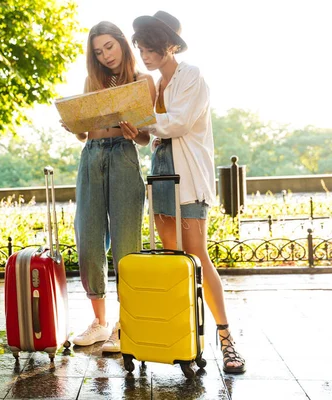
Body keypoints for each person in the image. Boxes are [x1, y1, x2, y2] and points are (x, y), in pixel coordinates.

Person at [124, 11, 246, 373]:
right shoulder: (155, 85)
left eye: (150, 48)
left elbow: (178, 123)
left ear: (169, 45)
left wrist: (145, 121)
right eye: (141, 49)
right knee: (174, 258)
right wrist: (137, 131)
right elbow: (157, 137)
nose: (145, 55)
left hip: (188, 176)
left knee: (196, 256)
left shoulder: (191, 75)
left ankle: (226, 339)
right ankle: (181, 339)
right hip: (161, 172)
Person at [62, 21, 156, 353]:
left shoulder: (143, 81)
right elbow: (84, 134)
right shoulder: (93, 81)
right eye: (98, 52)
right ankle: (99, 323)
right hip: (92, 156)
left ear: (122, 44)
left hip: (124, 157)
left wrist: (135, 132)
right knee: (87, 239)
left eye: (109, 47)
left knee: (126, 245)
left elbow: (147, 137)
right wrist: (73, 125)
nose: (105, 56)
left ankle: (124, 326)